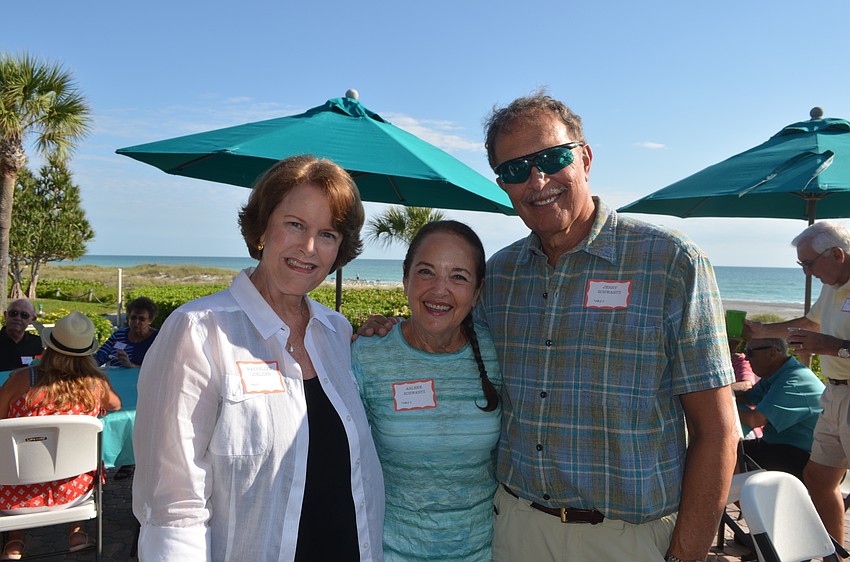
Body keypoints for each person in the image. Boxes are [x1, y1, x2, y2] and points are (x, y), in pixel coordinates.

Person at [361, 92, 738, 562]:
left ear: (584, 158)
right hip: (516, 529)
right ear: (504, 184)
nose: (537, 180)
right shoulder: (499, 275)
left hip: (629, 538)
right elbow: (446, 330)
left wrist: (688, 551)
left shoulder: (670, 262)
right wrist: (391, 329)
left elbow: (719, 432)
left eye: (552, 158)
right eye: (516, 170)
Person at [132, 155, 385, 562]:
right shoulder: (200, 330)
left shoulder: (336, 331)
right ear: (263, 227)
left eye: (327, 234)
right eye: (295, 225)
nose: (308, 248)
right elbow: (173, 504)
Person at [352, 221, 501, 561]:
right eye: (426, 272)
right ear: (405, 281)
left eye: (458, 277)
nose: (439, 290)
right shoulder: (367, 355)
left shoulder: (497, 356)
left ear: (477, 292)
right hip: (389, 551)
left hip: (481, 552)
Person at [744, 220, 850, 543]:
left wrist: (831, 347)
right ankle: (833, 555)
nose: (806, 272)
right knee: (817, 479)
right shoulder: (832, 286)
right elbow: (810, 322)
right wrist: (762, 331)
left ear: (836, 254)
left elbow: (824, 338)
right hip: (834, 394)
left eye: (808, 263)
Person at [0, 311, 121, 560]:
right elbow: (116, 405)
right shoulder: (95, 384)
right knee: (73, 461)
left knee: (18, 462)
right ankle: (77, 532)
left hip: (14, 489)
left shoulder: (22, 379)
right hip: (74, 490)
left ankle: (14, 541)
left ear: (50, 346)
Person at [737, 338, 824, 480]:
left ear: (772, 353)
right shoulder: (777, 374)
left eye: (750, 353)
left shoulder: (793, 380)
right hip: (780, 446)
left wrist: (716, 409)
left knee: (726, 456)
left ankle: (735, 499)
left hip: (804, 457)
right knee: (728, 452)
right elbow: (748, 398)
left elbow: (754, 420)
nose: (746, 358)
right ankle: (738, 498)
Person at [94, 296, 159, 368]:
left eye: (141, 319)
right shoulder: (119, 334)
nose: (136, 322)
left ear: (150, 320)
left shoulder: (157, 339)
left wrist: (130, 365)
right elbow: (100, 356)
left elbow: (158, 368)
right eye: (133, 317)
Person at [0, 300, 43, 371]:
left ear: (32, 319)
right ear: (5, 315)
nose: (17, 318)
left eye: (24, 315)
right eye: (13, 313)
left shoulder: (38, 343)